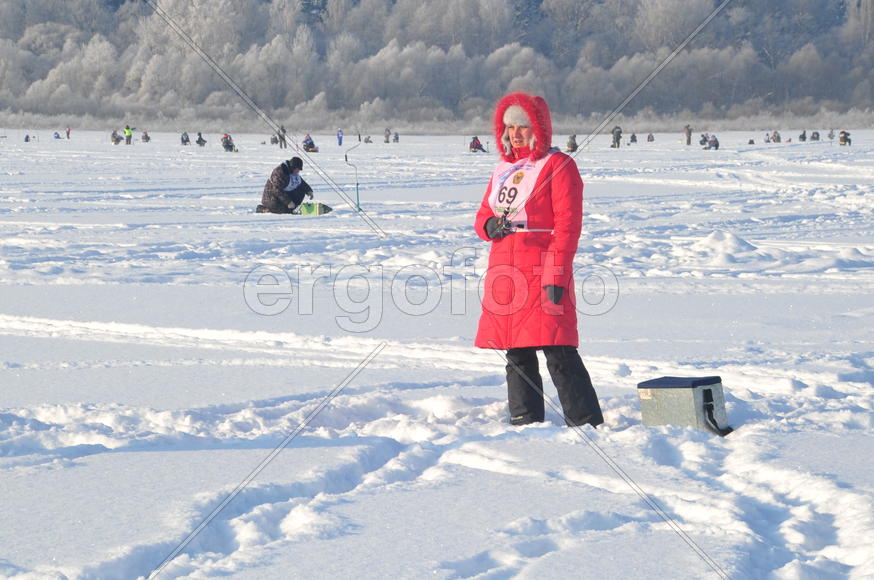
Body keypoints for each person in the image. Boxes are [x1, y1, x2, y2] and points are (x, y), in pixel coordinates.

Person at [473, 92, 604, 428]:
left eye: (523, 126)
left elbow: (568, 227)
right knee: (516, 352)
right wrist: (489, 225)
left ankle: (586, 421)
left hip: (541, 268)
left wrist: (556, 274)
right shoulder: (504, 169)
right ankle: (525, 419)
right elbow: (483, 215)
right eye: (510, 127)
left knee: (558, 349)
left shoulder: (559, 166)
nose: (515, 133)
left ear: (539, 128)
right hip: (505, 271)